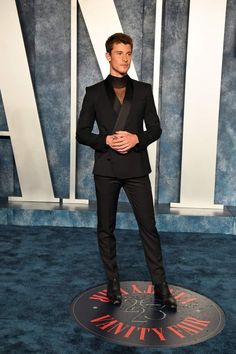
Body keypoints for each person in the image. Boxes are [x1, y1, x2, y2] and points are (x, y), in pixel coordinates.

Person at [76, 33, 177, 310]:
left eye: (128, 53)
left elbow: (155, 128)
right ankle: (112, 283)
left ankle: (160, 286)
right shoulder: (94, 92)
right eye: (119, 53)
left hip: (135, 168)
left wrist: (136, 139)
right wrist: (106, 140)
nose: (125, 58)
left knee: (149, 228)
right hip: (106, 169)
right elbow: (81, 133)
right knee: (105, 228)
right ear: (108, 56)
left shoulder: (143, 90)